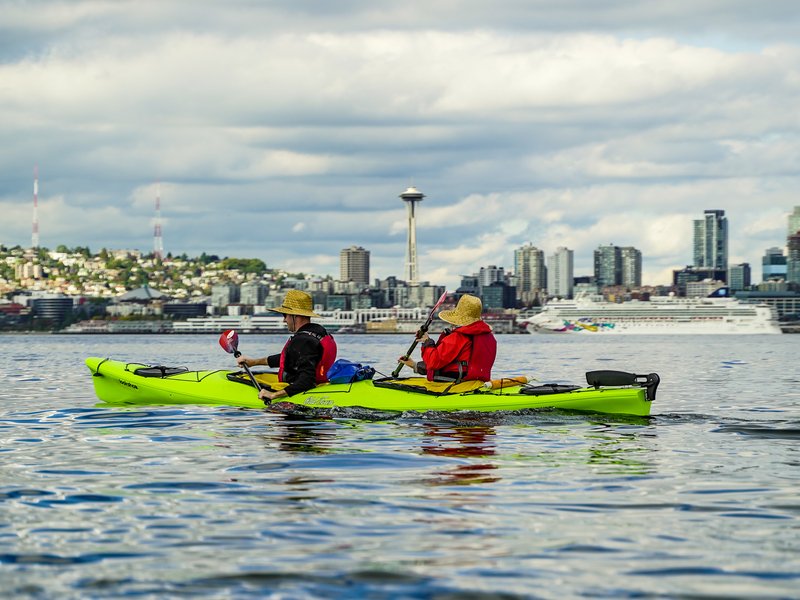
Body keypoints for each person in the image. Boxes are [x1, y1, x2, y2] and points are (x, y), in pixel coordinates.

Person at [236, 289, 337, 402]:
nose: (284, 320)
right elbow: (291, 358)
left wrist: (273, 395)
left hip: (302, 391)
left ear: (295, 316)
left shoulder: (302, 341)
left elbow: (307, 380)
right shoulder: (319, 332)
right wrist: (254, 362)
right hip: (321, 384)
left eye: (285, 315)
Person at [398, 294, 497, 382]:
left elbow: (434, 363)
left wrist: (427, 342)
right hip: (474, 382)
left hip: (455, 383)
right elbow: (454, 365)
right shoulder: (488, 337)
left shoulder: (458, 337)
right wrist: (414, 365)